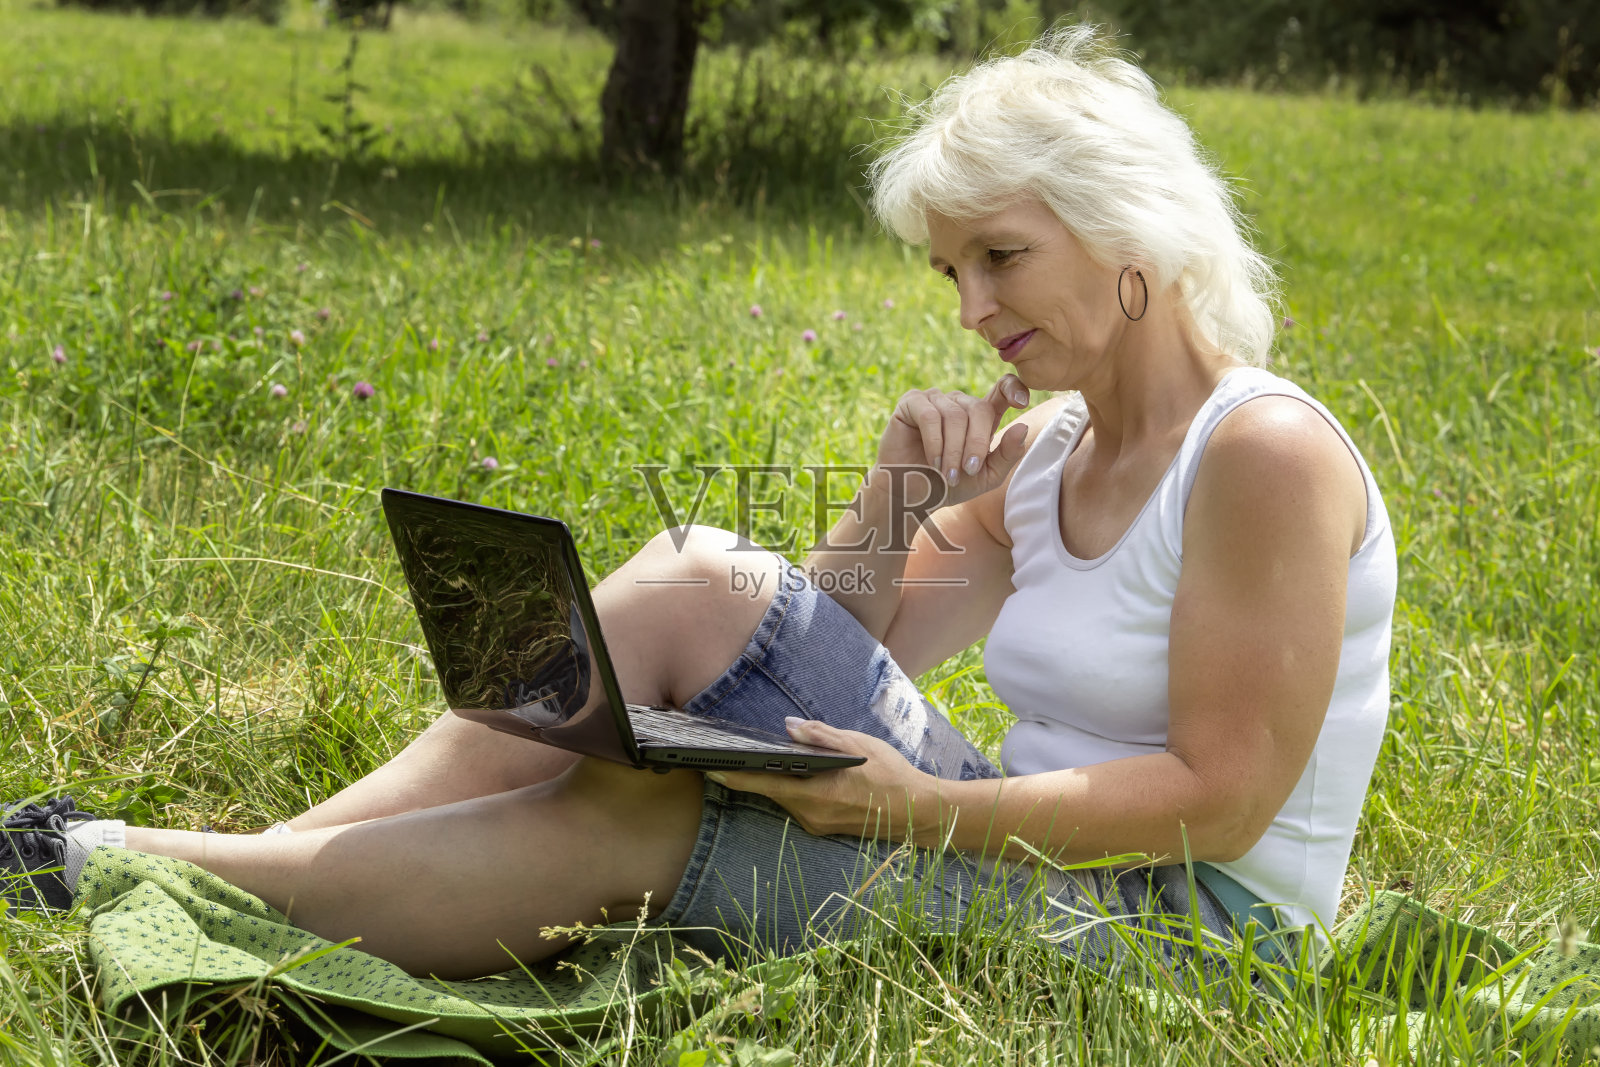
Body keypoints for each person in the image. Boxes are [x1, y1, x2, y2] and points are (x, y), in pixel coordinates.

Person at [2, 26, 1394, 984]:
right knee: (695, 580)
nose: (973, 310)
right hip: (1035, 844)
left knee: (643, 813)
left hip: (1185, 936)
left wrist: (917, 815)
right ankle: (251, 863)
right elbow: (851, 657)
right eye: (950, 272)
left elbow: (1221, 804)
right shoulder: (1056, 449)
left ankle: (119, 871)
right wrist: (895, 501)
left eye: (1001, 258)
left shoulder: (1261, 457)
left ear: (1130, 231)